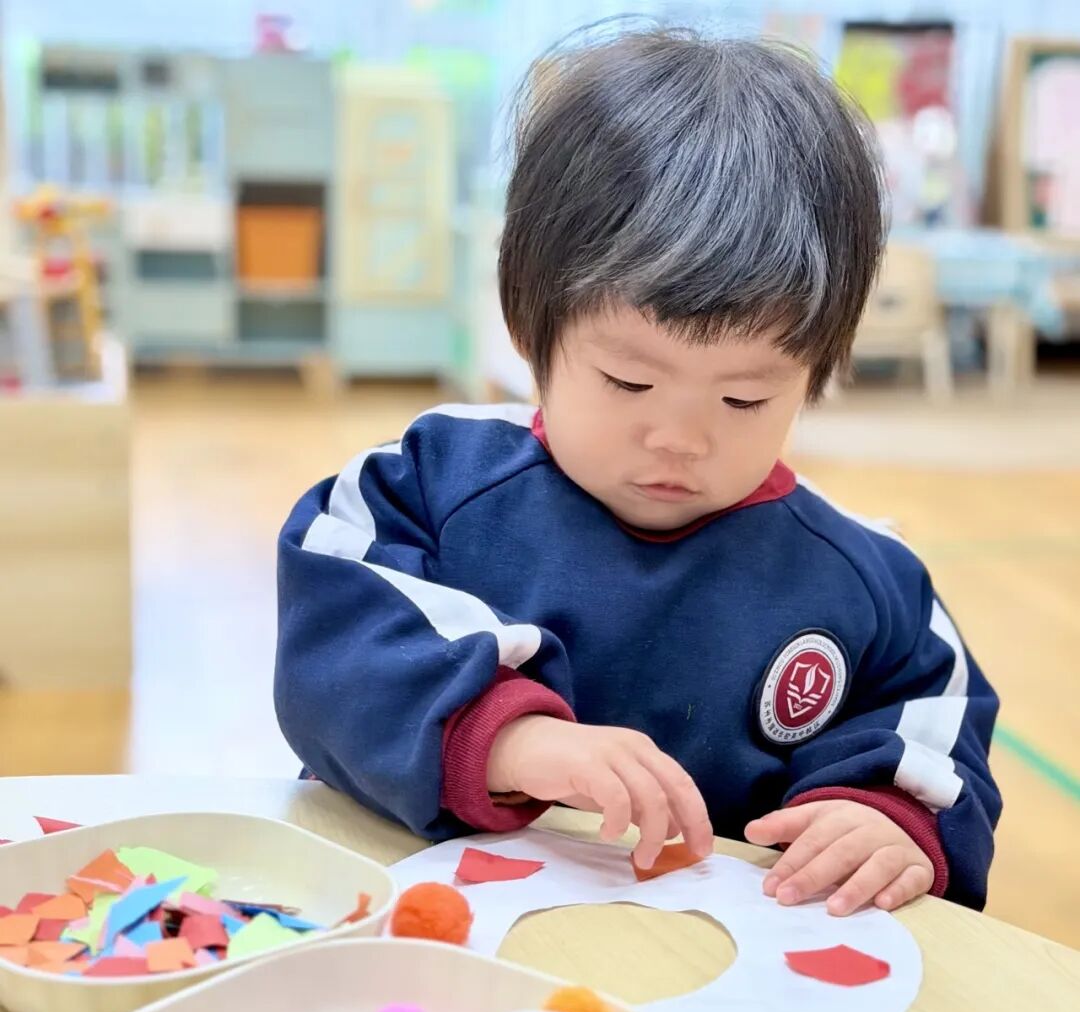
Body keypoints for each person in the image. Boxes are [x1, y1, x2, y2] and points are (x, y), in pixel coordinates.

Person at [275, 26, 1000, 913]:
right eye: (629, 381)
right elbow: (336, 640)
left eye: (743, 399)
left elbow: (932, 727)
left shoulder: (869, 585)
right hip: (432, 929)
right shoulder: (425, 486)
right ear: (530, 327)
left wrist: (883, 818)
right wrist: (507, 740)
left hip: (707, 957)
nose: (680, 438)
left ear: (816, 372)